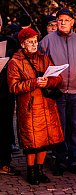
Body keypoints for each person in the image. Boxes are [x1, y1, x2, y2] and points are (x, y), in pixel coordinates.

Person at [7, 28, 64, 185]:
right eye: (30, 41)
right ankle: (31, 171)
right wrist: (34, 83)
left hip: (46, 104)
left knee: (45, 139)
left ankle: (40, 169)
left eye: (35, 41)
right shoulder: (15, 62)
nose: (34, 44)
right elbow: (13, 86)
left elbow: (58, 78)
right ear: (23, 44)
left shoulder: (43, 58)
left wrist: (49, 82)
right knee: (31, 141)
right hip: (29, 106)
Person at [39, 8, 76, 176]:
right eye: (60, 20)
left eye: (66, 20)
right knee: (59, 127)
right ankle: (60, 159)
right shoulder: (47, 41)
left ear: (72, 22)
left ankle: (74, 160)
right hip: (57, 90)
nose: (62, 23)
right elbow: (40, 65)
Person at [0, 14, 20, 176]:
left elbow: (17, 62)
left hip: (4, 92)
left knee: (5, 127)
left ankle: (4, 163)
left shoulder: (10, 41)